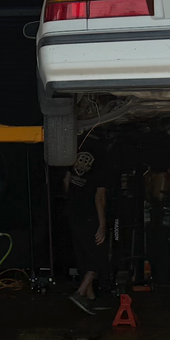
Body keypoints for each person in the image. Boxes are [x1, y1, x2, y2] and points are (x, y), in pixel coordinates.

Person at [64, 128, 111, 313]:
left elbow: (67, 180)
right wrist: (102, 224)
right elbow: (99, 197)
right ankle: (80, 292)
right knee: (97, 255)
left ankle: (90, 298)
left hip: (72, 211)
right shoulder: (104, 158)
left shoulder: (76, 150)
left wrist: (71, 201)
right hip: (90, 214)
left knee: (82, 253)